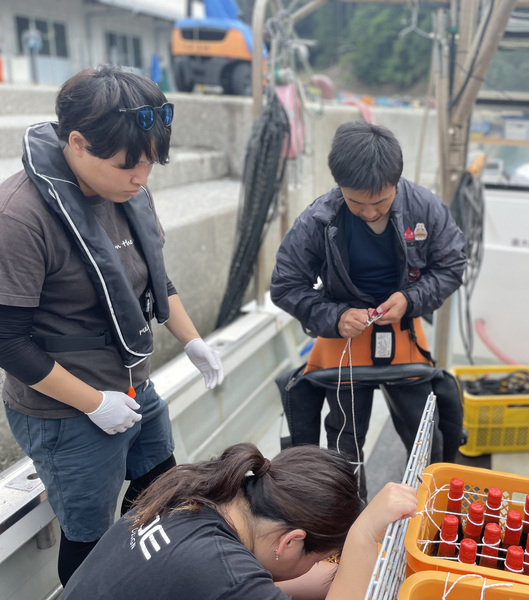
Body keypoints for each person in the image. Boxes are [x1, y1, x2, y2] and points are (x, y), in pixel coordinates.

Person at [0, 65, 224, 585]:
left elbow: (155, 283)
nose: (142, 177)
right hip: (65, 409)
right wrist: (93, 403)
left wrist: (193, 342)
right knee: (90, 536)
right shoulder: (21, 215)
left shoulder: (130, 192)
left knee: (164, 491)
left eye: (150, 163)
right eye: (129, 165)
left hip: (131, 385)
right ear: (77, 143)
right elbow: (8, 342)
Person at [270, 121, 466, 498]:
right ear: (339, 185)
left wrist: (412, 299)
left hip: (404, 332)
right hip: (345, 339)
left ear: (397, 182)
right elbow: (285, 285)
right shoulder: (318, 220)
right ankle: (350, 522)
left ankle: (433, 510)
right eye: (356, 202)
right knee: (344, 447)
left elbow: (452, 265)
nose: (369, 212)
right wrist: (335, 316)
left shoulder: (425, 208)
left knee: (428, 433)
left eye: (380, 201)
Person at [61, 443, 418, 600]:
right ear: (289, 542)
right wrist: (360, 537)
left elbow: (263, 584)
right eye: (322, 556)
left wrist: (354, 569)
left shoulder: (202, 495)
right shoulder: (222, 572)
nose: (324, 564)